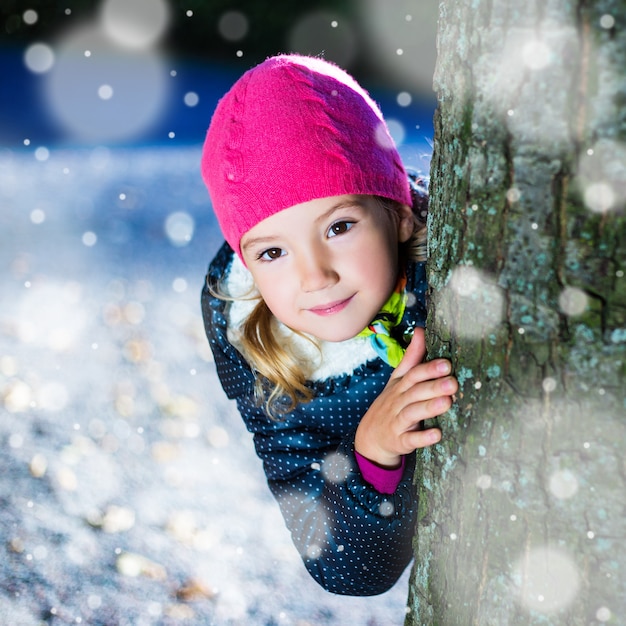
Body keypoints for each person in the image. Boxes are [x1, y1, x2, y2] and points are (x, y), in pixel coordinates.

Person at [200, 54, 458, 596]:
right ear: (248, 267)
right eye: (272, 252)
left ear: (401, 214)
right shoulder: (272, 365)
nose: (315, 276)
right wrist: (374, 457)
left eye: (339, 226)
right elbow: (348, 570)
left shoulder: (458, 269)